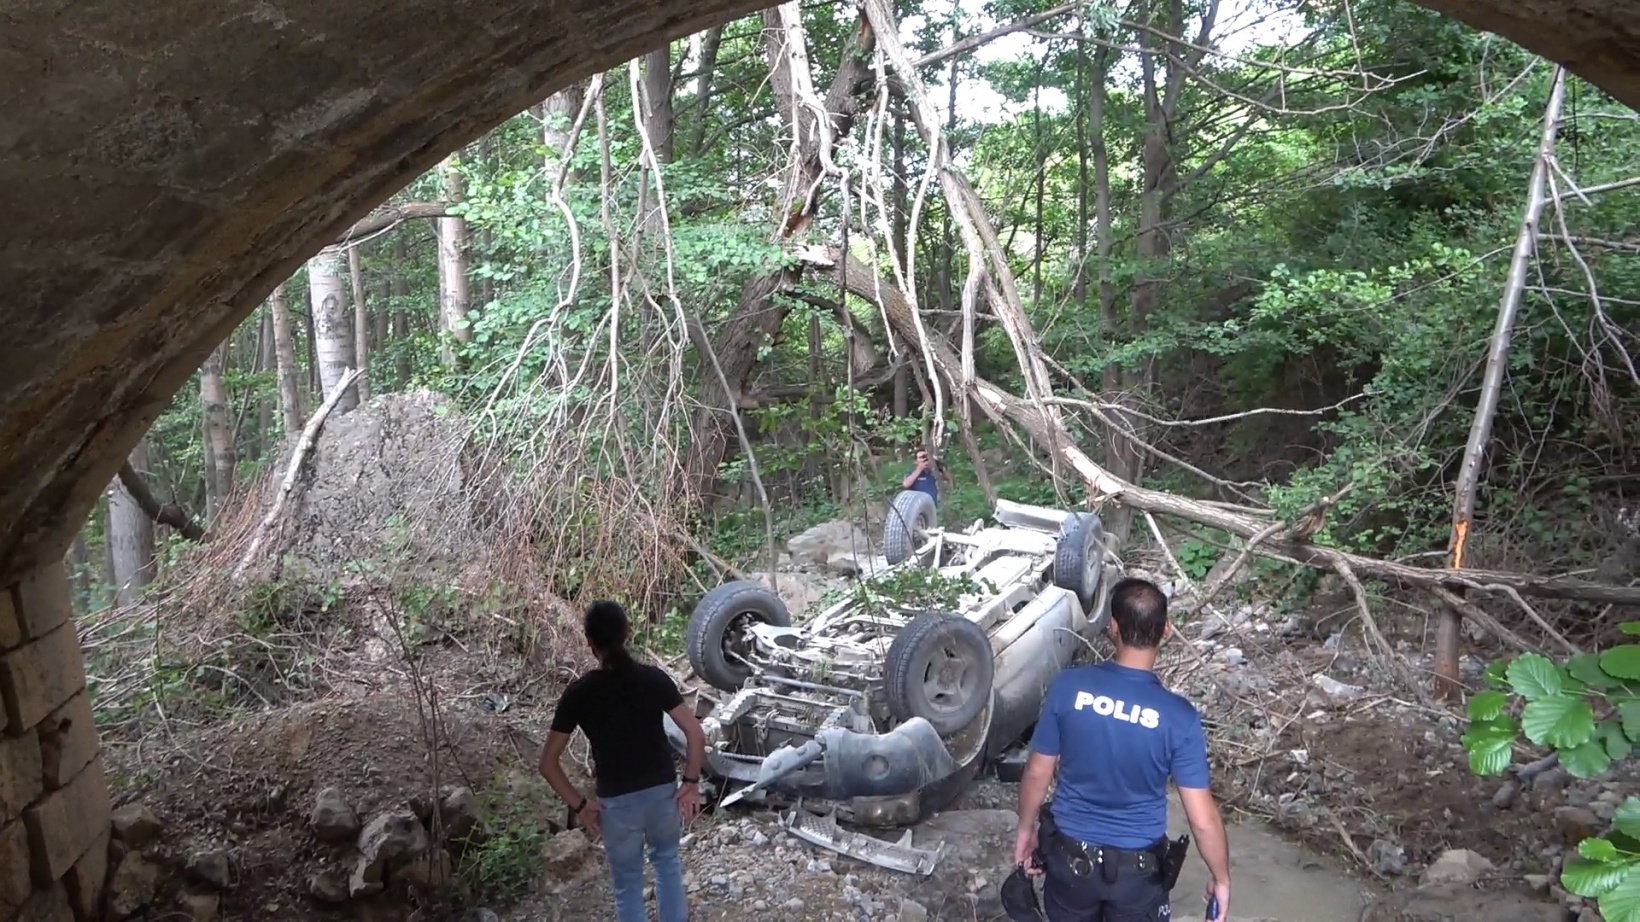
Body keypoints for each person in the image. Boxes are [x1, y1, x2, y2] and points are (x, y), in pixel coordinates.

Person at [1012, 578, 1232, 922]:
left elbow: (1038, 771)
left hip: (1070, 864)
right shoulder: (1179, 717)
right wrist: (1221, 878)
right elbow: (1202, 820)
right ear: (1166, 630)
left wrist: (1025, 831)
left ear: (1112, 627)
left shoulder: (1069, 687)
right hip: (1137, 877)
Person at [539, 600, 707, 922]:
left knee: (628, 886)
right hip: (661, 794)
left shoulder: (579, 693)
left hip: (616, 805)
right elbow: (695, 735)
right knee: (667, 863)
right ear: (627, 632)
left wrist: (579, 805)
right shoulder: (653, 679)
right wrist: (691, 783)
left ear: (589, 640)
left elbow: (548, 763)